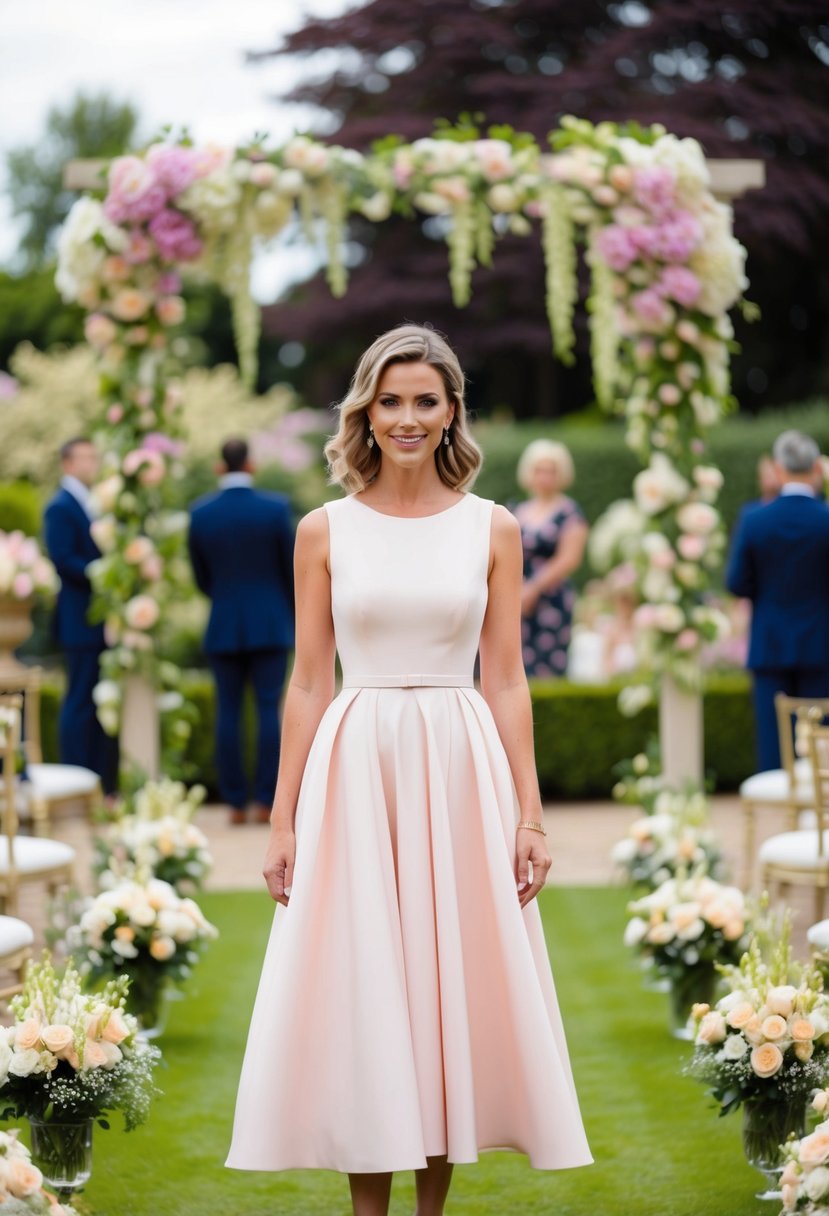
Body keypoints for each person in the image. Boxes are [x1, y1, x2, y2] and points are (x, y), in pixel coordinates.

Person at [226, 325, 592, 1213]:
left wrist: (530, 814)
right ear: (365, 408)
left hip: (460, 767)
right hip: (354, 769)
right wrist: (281, 821)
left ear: (450, 410)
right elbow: (308, 681)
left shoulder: (493, 528)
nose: (406, 417)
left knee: (443, 991)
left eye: (425, 400)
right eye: (389, 400)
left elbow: (505, 678)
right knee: (366, 987)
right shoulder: (321, 530)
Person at [188, 438, 295, 825]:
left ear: (221, 468)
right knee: (269, 710)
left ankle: (234, 803)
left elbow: (201, 577)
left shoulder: (200, 513)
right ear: (250, 465)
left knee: (227, 712)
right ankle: (266, 800)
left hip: (223, 625)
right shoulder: (275, 509)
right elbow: (290, 570)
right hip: (270, 624)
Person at [726, 429, 829, 771]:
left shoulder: (755, 519)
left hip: (770, 644)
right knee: (821, 746)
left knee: (774, 747)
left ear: (778, 469)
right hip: (822, 644)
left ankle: (782, 818)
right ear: (816, 467)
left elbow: (736, 583)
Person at [43, 436, 118, 794]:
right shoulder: (59, 506)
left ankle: (98, 780)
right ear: (67, 463)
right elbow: (63, 558)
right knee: (78, 702)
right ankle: (75, 779)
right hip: (78, 620)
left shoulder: (93, 503)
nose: (92, 463)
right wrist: (104, 571)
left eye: (95, 456)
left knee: (96, 702)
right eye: (85, 457)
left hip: (99, 620)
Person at [510, 439, 588, 677]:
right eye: (539, 470)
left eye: (551, 471)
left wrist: (533, 588)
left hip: (550, 600)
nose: (544, 476)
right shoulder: (517, 510)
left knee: (546, 669)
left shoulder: (570, 513)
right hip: (516, 597)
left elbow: (569, 559)